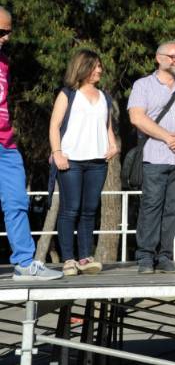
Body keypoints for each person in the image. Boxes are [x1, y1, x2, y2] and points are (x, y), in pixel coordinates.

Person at [128, 40, 175, 274]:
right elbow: (136, 117)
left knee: (173, 209)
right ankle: (145, 257)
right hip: (154, 157)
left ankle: (165, 256)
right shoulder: (143, 85)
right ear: (159, 58)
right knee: (151, 206)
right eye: (174, 57)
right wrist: (167, 137)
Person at [0, 6, 63, 281]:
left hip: (6, 144)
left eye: (8, 32)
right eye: (1, 31)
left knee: (17, 201)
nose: (6, 37)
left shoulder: (4, 62)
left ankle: (25, 263)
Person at [49, 49, 117, 276]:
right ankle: (68, 260)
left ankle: (86, 258)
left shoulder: (105, 96)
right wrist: (57, 153)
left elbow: (106, 125)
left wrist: (112, 144)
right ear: (83, 67)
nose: (99, 70)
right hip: (71, 161)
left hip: (98, 162)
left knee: (89, 210)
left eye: (100, 66)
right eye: (95, 66)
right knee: (70, 210)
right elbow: (54, 126)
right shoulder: (67, 94)